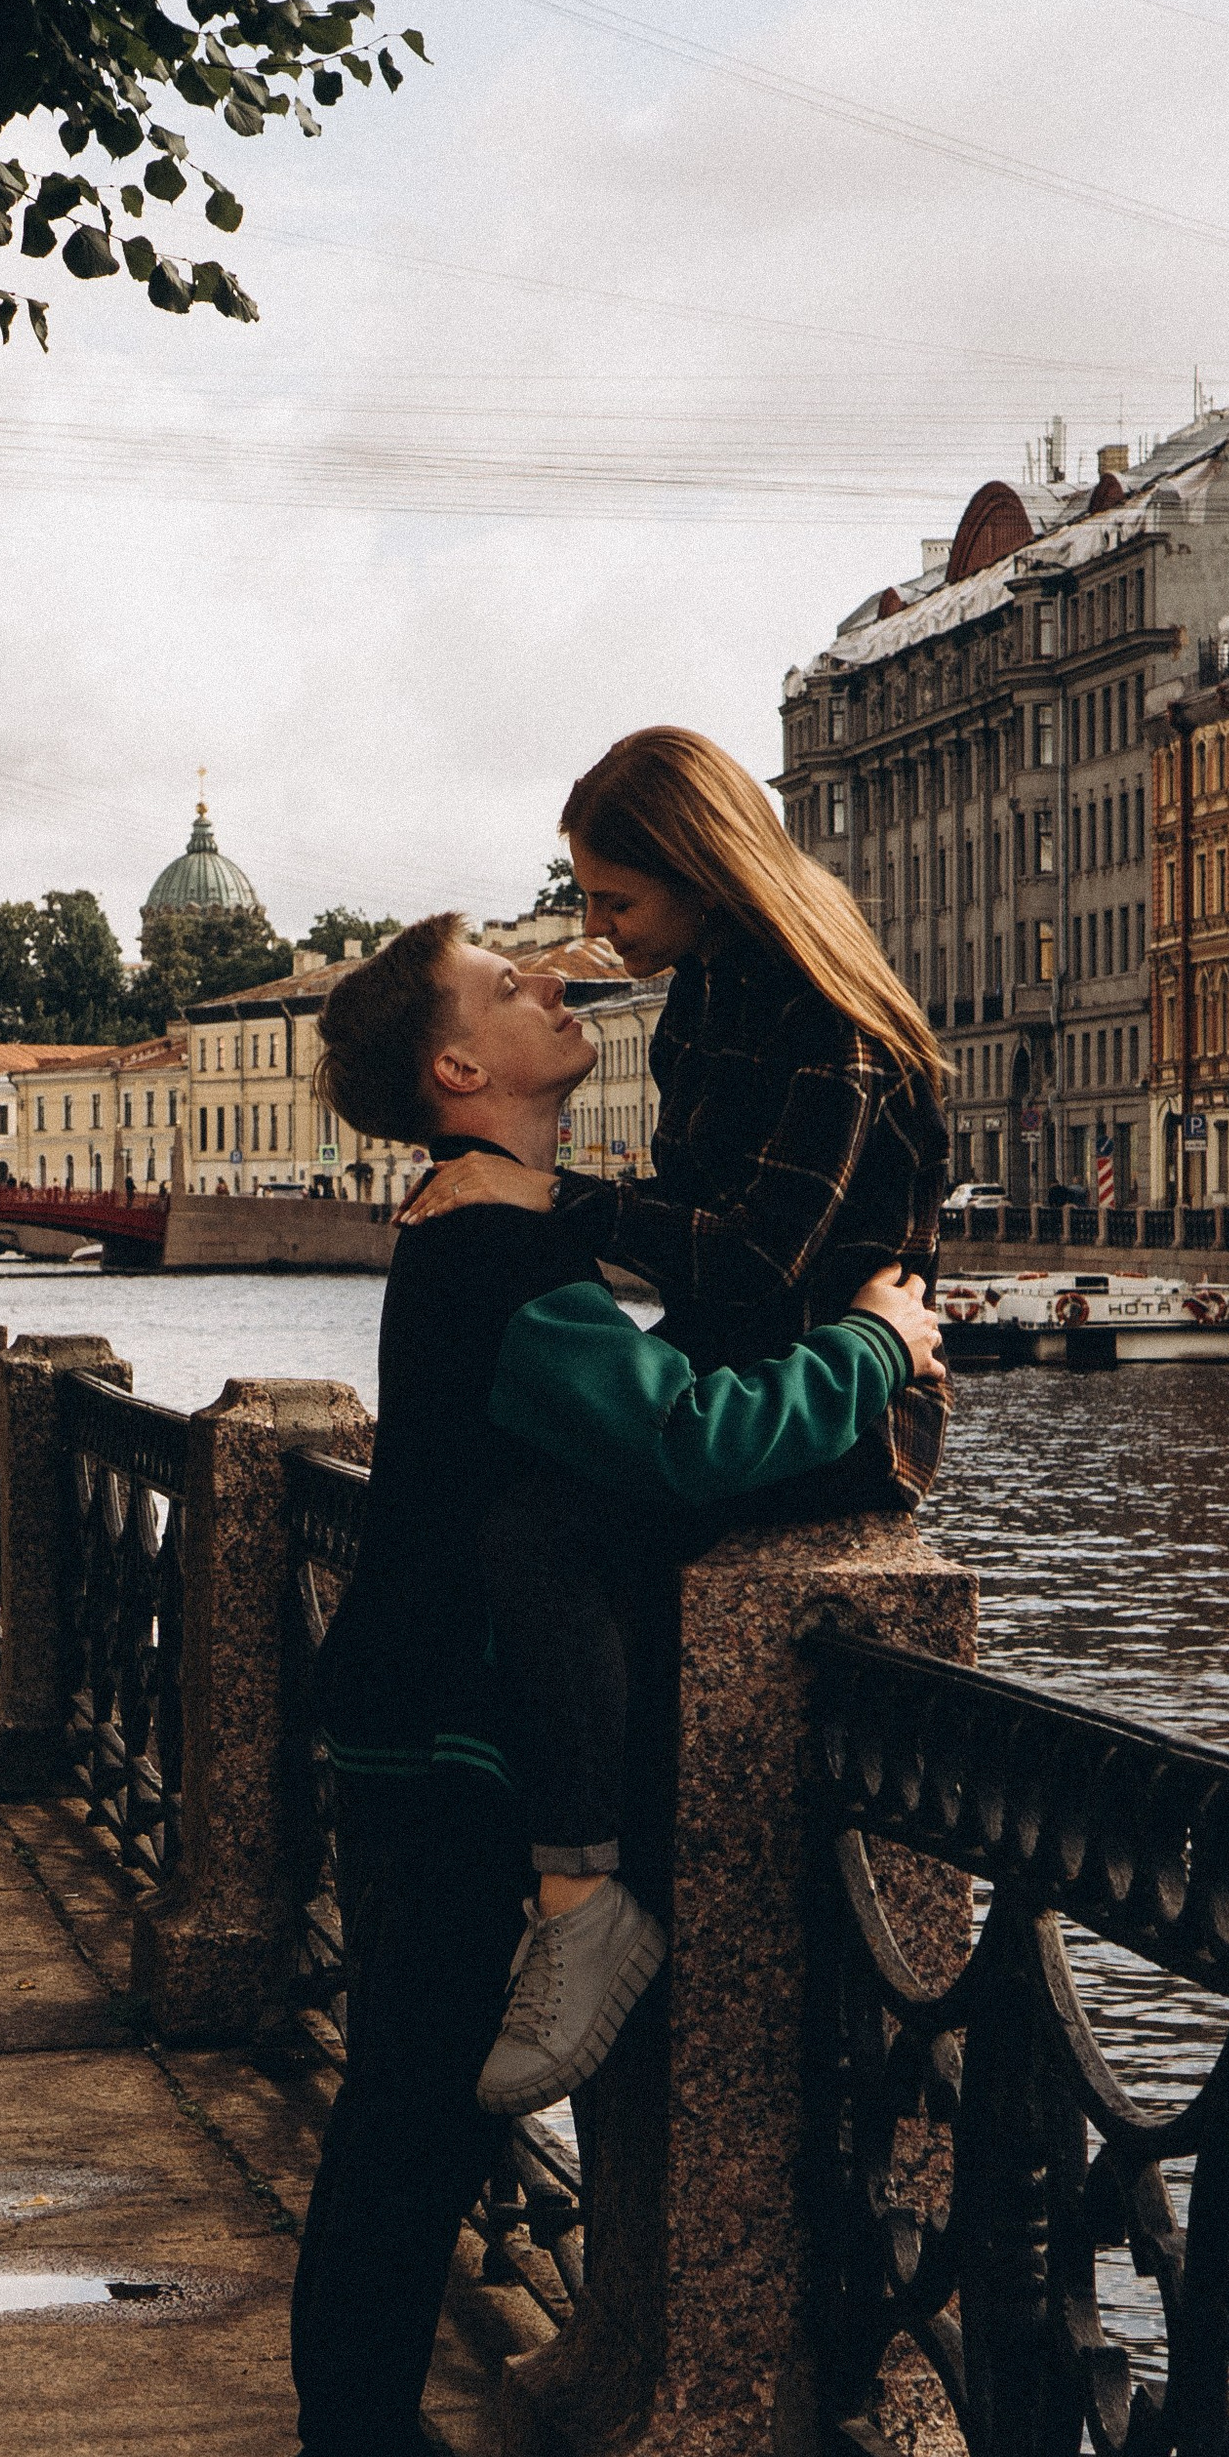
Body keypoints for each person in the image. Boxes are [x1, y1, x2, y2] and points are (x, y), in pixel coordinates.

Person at [283, 912, 943, 2457]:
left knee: (397, 2125)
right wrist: (875, 1348)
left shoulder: (480, 1226)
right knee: (410, 2133)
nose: (554, 986)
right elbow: (683, 1437)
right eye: (509, 988)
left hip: (416, 1716)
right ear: (456, 1073)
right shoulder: (498, 1253)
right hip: (447, 1736)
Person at [398, 726, 950, 2108]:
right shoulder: (706, 987)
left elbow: (756, 1256)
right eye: (587, 900)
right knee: (528, 1500)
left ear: (704, 874)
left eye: (615, 903)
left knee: (541, 1533)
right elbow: (707, 1254)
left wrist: (548, 1198)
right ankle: (575, 1887)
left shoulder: (827, 1018)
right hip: (746, 1383)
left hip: (844, 1407)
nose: (594, 932)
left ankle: (583, 1905)